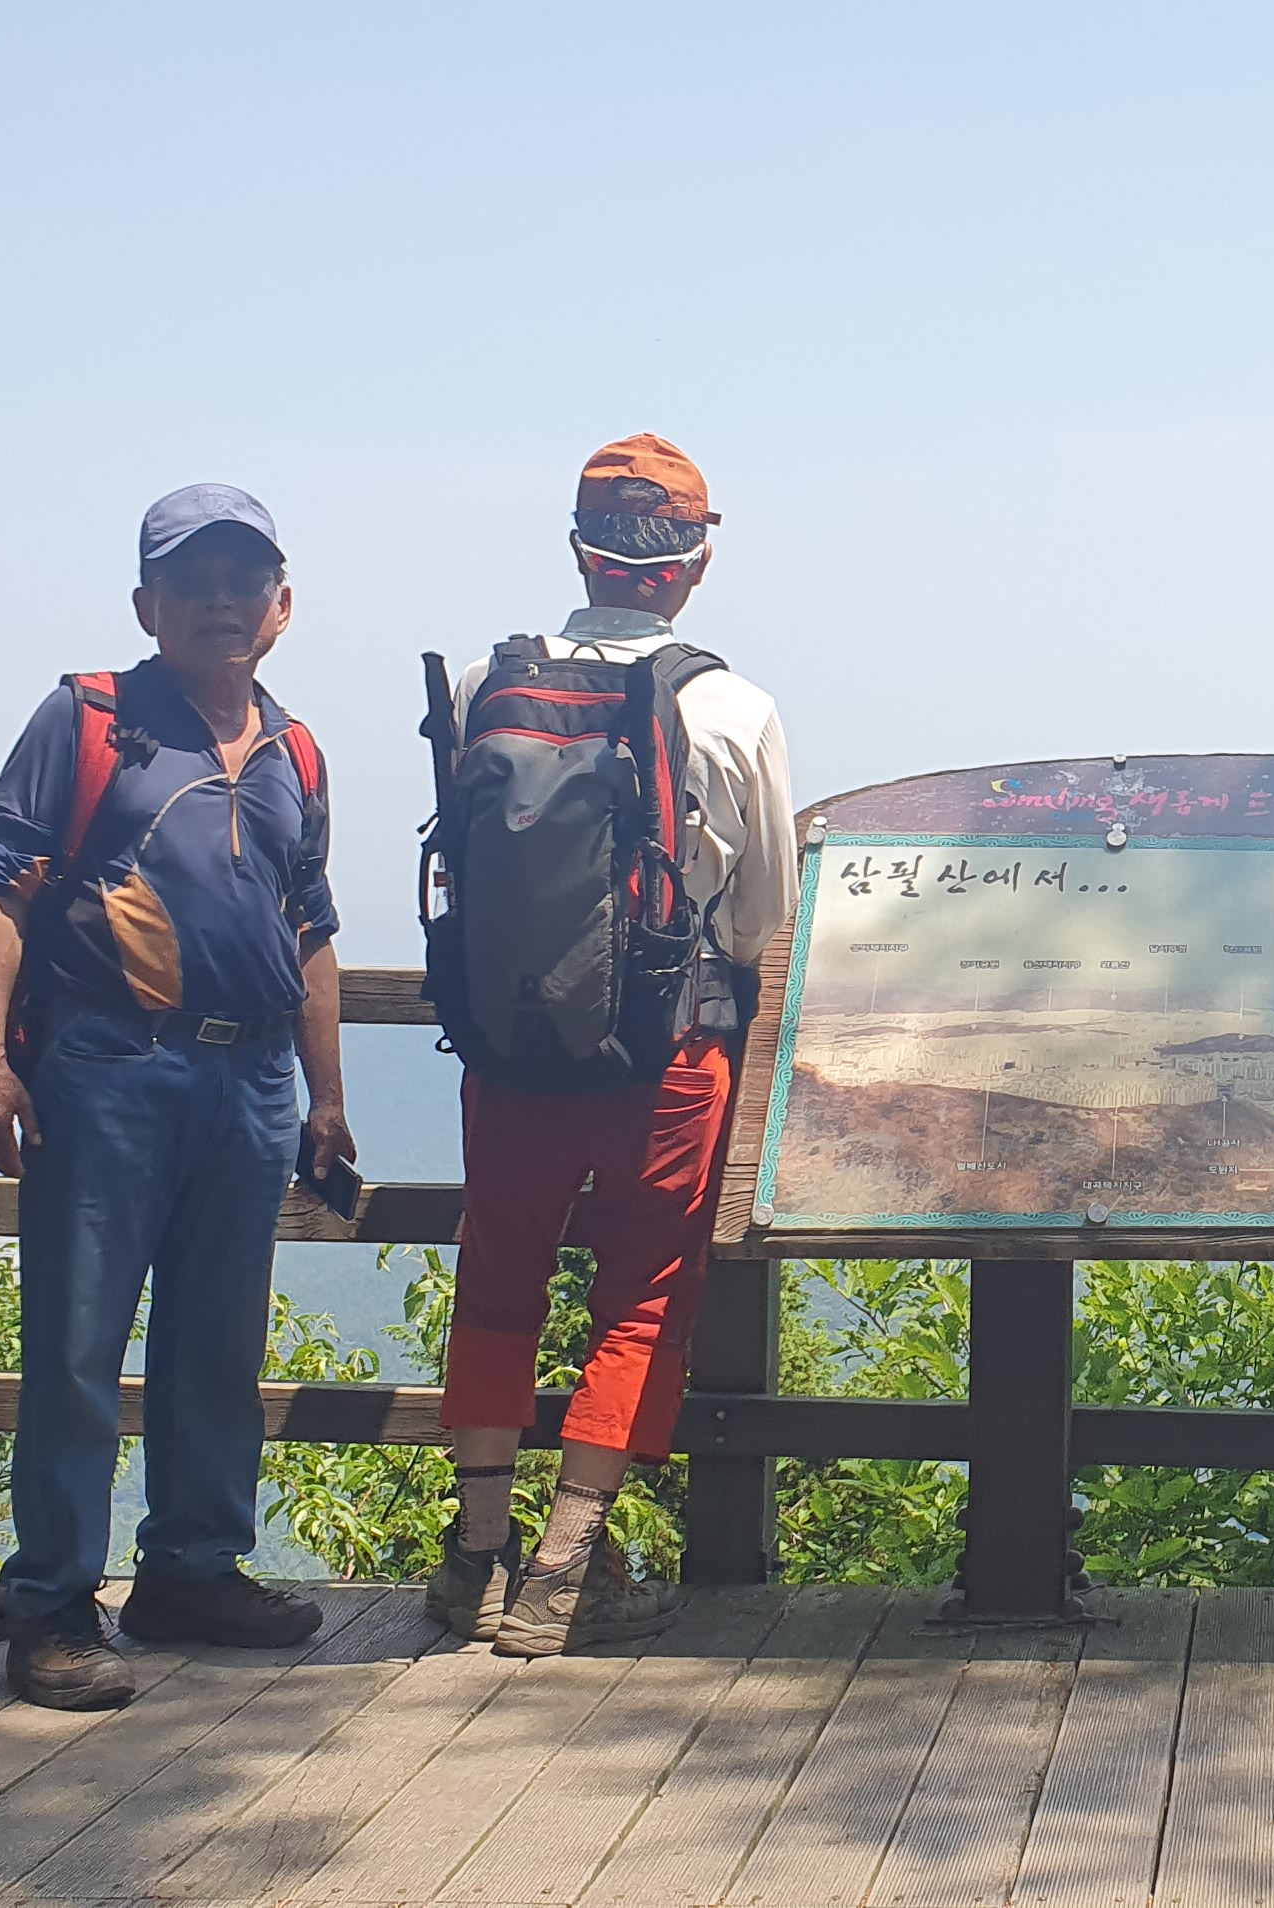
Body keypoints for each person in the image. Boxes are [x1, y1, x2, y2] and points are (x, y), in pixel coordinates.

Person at [0, 484, 355, 1710]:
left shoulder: (296, 750)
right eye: (193, 583)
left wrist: (327, 1099)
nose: (220, 603)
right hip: (109, 1065)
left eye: (244, 582)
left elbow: (311, 928)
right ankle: (52, 1606)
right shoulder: (88, 719)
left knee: (218, 1343)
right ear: (148, 605)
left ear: (282, 607)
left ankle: (190, 1571)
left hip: (253, 1077)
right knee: (77, 1345)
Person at [426, 434, 793, 1656]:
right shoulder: (731, 707)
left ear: (581, 551)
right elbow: (762, 915)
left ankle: (476, 1557)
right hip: (666, 1054)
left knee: (498, 1282)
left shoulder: (484, 683)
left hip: (511, 1046)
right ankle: (565, 1573)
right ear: (693, 566)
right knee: (641, 1302)